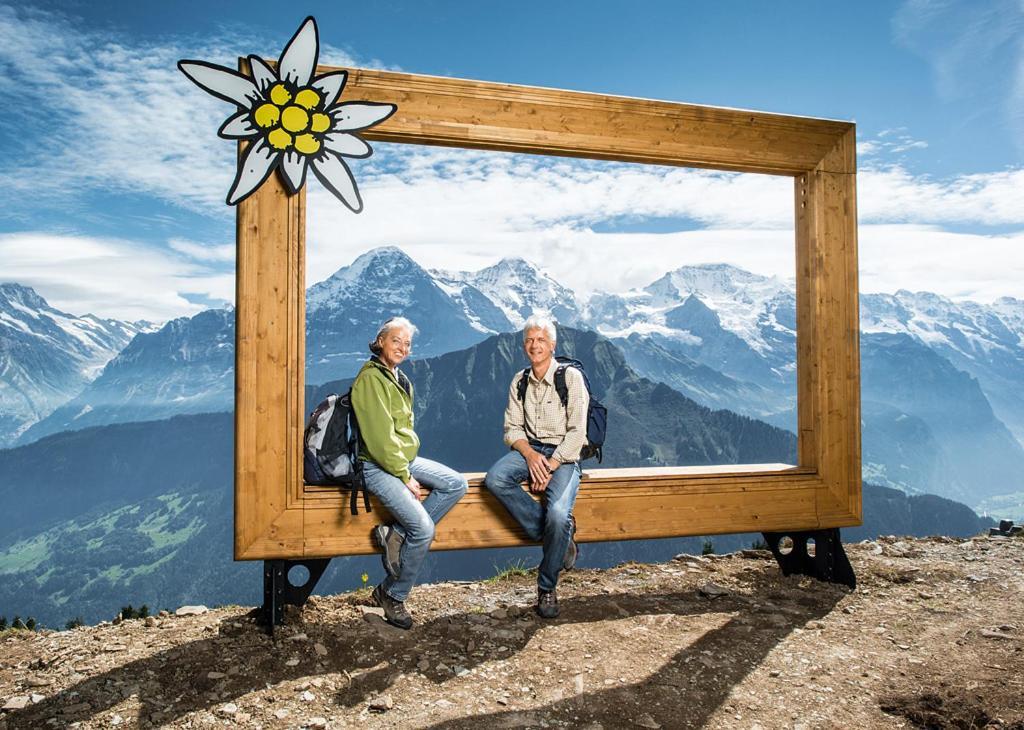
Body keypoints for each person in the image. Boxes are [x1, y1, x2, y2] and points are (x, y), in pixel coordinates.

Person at [351, 316, 468, 629]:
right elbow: (379, 438)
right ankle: (393, 594)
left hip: (403, 458)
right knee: (424, 529)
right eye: (395, 341)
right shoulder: (371, 379)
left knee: (456, 484)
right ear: (380, 342)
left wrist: (406, 465)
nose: (401, 347)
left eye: (406, 343)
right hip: (376, 464)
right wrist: (405, 475)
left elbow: (401, 433)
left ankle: (397, 535)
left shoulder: (398, 378)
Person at [484, 314, 587, 618]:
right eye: (529, 340)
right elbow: (511, 429)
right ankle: (559, 537)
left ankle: (546, 587)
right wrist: (530, 456)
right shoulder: (519, 381)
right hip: (532, 450)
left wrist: (551, 465)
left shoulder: (570, 378)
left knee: (558, 513)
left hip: (565, 455)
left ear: (552, 345)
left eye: (541, 339)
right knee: (496, 478)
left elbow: (577, 433)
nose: (534, 345)